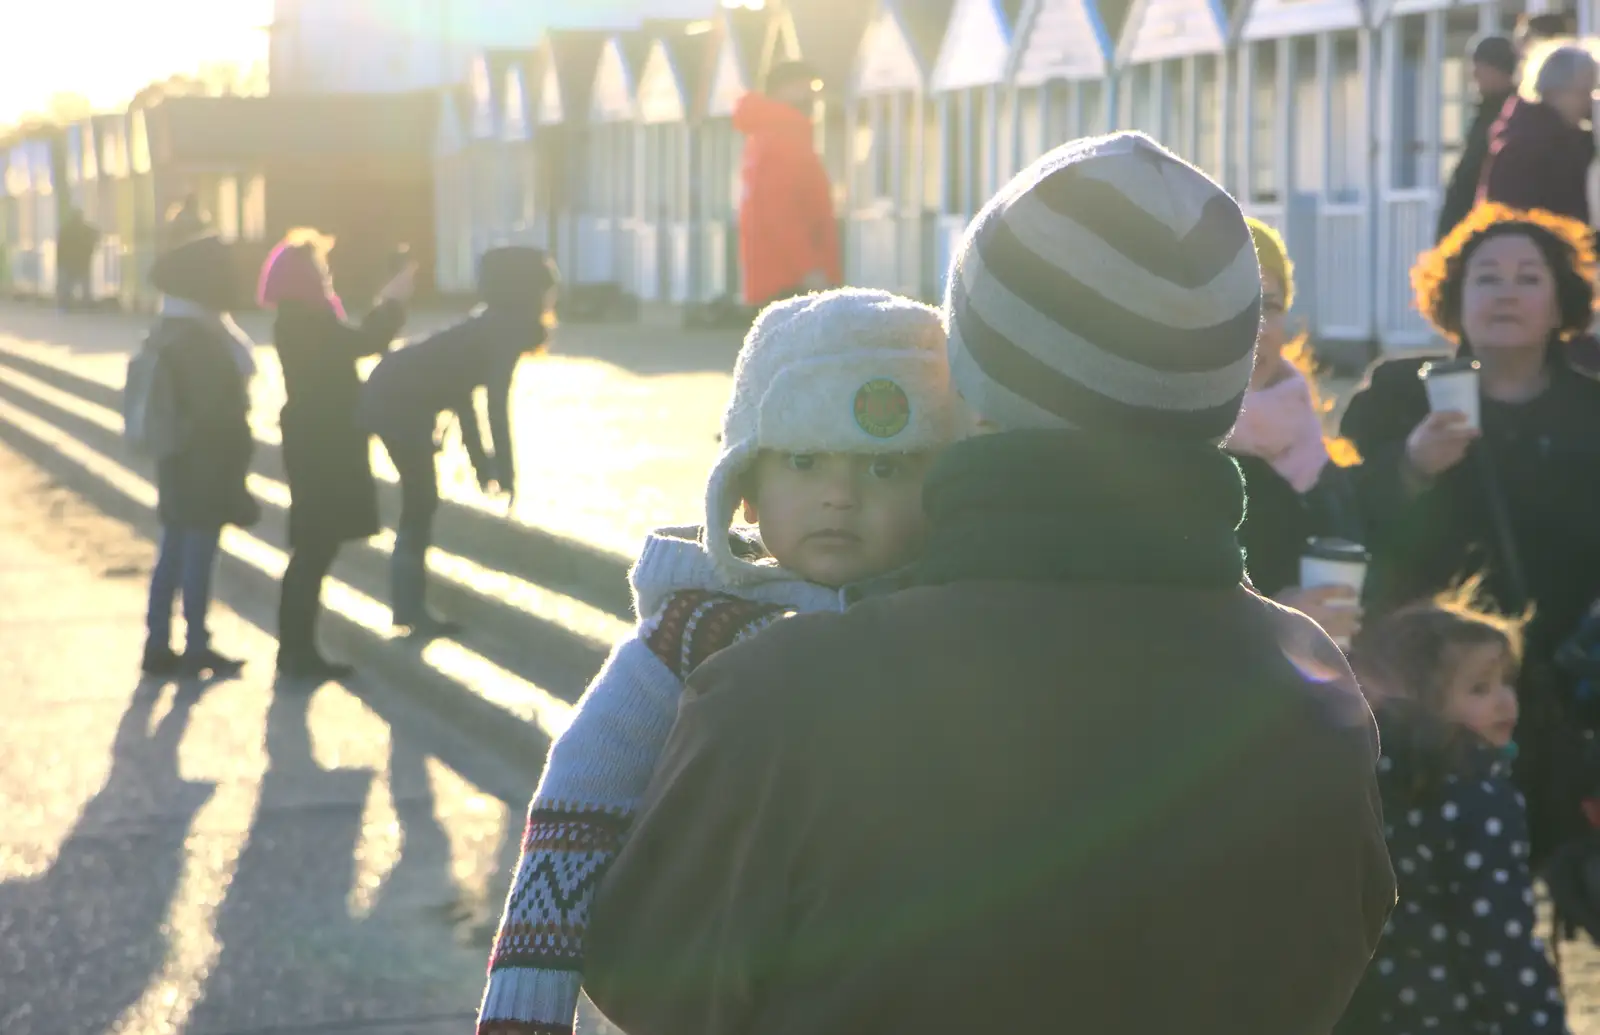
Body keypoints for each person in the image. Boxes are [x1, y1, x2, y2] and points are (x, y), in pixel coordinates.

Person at [582, 132, 1394, 1035]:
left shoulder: (785, 695)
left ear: (966, 374)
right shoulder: (1312, 691)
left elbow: (645, 990)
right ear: (1218, 385)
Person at [475, 288, 967, 1035]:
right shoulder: (691, 630)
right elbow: (578, 795)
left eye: (884, 468)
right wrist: (529, 1001)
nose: (839, 495)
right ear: (743, 489)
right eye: (804, 460)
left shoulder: (952, 622)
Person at [1342, 202, 1600, 863]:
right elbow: (1342, 522)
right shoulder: (1399, 395)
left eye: (1527, 277)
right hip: (1430, 688)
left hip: (1567, 684)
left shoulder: (1591, 408)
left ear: (1561, 299)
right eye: (1486, 277)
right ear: (1455, 296)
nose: (1506, 291)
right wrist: (1410, 466)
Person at [1337, 593, 1567, 1035]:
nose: (1505, 702)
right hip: (1461, 1016)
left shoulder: (1369, 787)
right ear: (1421, 705)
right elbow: (1499, 937)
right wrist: (1539, 1023)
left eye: (1506, 682)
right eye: (1479, 689)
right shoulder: (1479, 797)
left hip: (1375, 1012)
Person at [358, 246, 557, 637]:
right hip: (397, 401)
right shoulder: (506, 328)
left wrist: (486, 467)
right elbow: (495, 404)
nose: (551, 296)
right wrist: (506, 472)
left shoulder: (491, 323)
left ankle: (408, 607)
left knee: (420, 502)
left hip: (394, 393)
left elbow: (464, 396)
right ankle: (409, 608)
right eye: (547, 287)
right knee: (420, 502)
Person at [257, 229, 415, 681]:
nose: (327, 276)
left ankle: (297, 650)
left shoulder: (299, 319)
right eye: (320, 269)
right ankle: (296, 654)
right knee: (313, 549)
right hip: (320, 443)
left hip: (315, 439)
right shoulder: (308, 321)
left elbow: (356, 342)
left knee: (313, 548)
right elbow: (365, 342)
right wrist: (393, 302)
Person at [1229, 218, 1364, 642]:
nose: (1257, 327)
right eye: (1234, 303)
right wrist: (1274, 614)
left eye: (1269, 305)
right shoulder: (1170, 448)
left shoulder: (1305, 434)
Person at [139, 234, 259, 679]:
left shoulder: (170, 327)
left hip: (177, 458)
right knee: (197, 554)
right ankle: (195, 646)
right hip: (203, 460)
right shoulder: (201, 339)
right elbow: (218, 410)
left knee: (173, 549)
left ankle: (157, 642)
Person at [732, 59, 842, 309]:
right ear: (783, 90)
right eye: (807, 87)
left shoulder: (765, 135)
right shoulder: (783, 138)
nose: (812, 96)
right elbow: (781, 214)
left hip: (778, 277)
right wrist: (810, 270)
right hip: (790, 282)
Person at [1478, 41, 1598, 226]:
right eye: (1583, 92)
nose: (1588, 102)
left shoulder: (1523, 131)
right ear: (1555, 91)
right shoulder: (1539, 144)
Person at [1437, 35, 1520, 242]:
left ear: (1495, 69)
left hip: (1487, 225)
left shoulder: (1509, 116)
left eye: (1479, 68)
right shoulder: (1486, 113)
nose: (1474, 76)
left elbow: (1475, 172)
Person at [56, 206, 100, 311]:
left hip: (69, 262)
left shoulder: (66, 230)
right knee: (84, 285)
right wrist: (91, 249)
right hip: (82, 262)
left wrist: (59, 262)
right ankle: (85, 304)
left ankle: (66, 304)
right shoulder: (85, 229)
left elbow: (60, 247)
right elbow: (96, 235)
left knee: (68, 285)